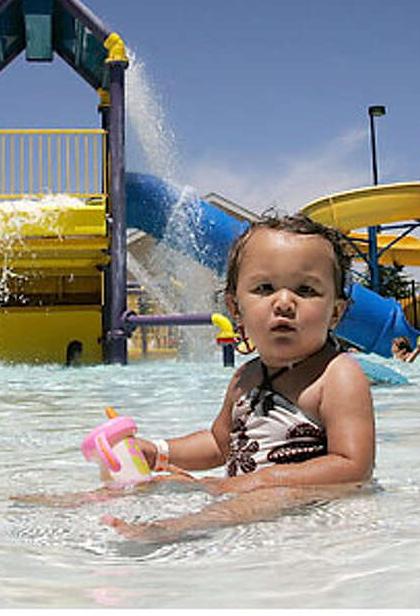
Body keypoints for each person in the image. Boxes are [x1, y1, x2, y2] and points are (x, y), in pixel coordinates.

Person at [102, 214, 375, 542]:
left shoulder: (337, 375)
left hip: (314, 515)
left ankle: (167, 532)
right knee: (152, 484)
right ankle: (61, 507)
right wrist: (158, 451)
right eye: (264, 288)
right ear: (235, 307)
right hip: (246, 509)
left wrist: (259, 481)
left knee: (250, 500)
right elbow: (220, 443)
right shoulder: (245, 377)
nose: (285, 302)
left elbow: (353, 466)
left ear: (336, 312)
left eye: (306, 289)